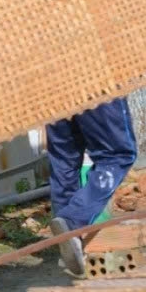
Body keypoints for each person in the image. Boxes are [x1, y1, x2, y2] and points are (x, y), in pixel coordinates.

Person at [45, 99, 138, 278]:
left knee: (64, 163)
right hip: (94, 82)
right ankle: (72, 221)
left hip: (52, 87)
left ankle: (70, 245)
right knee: (119, 155)